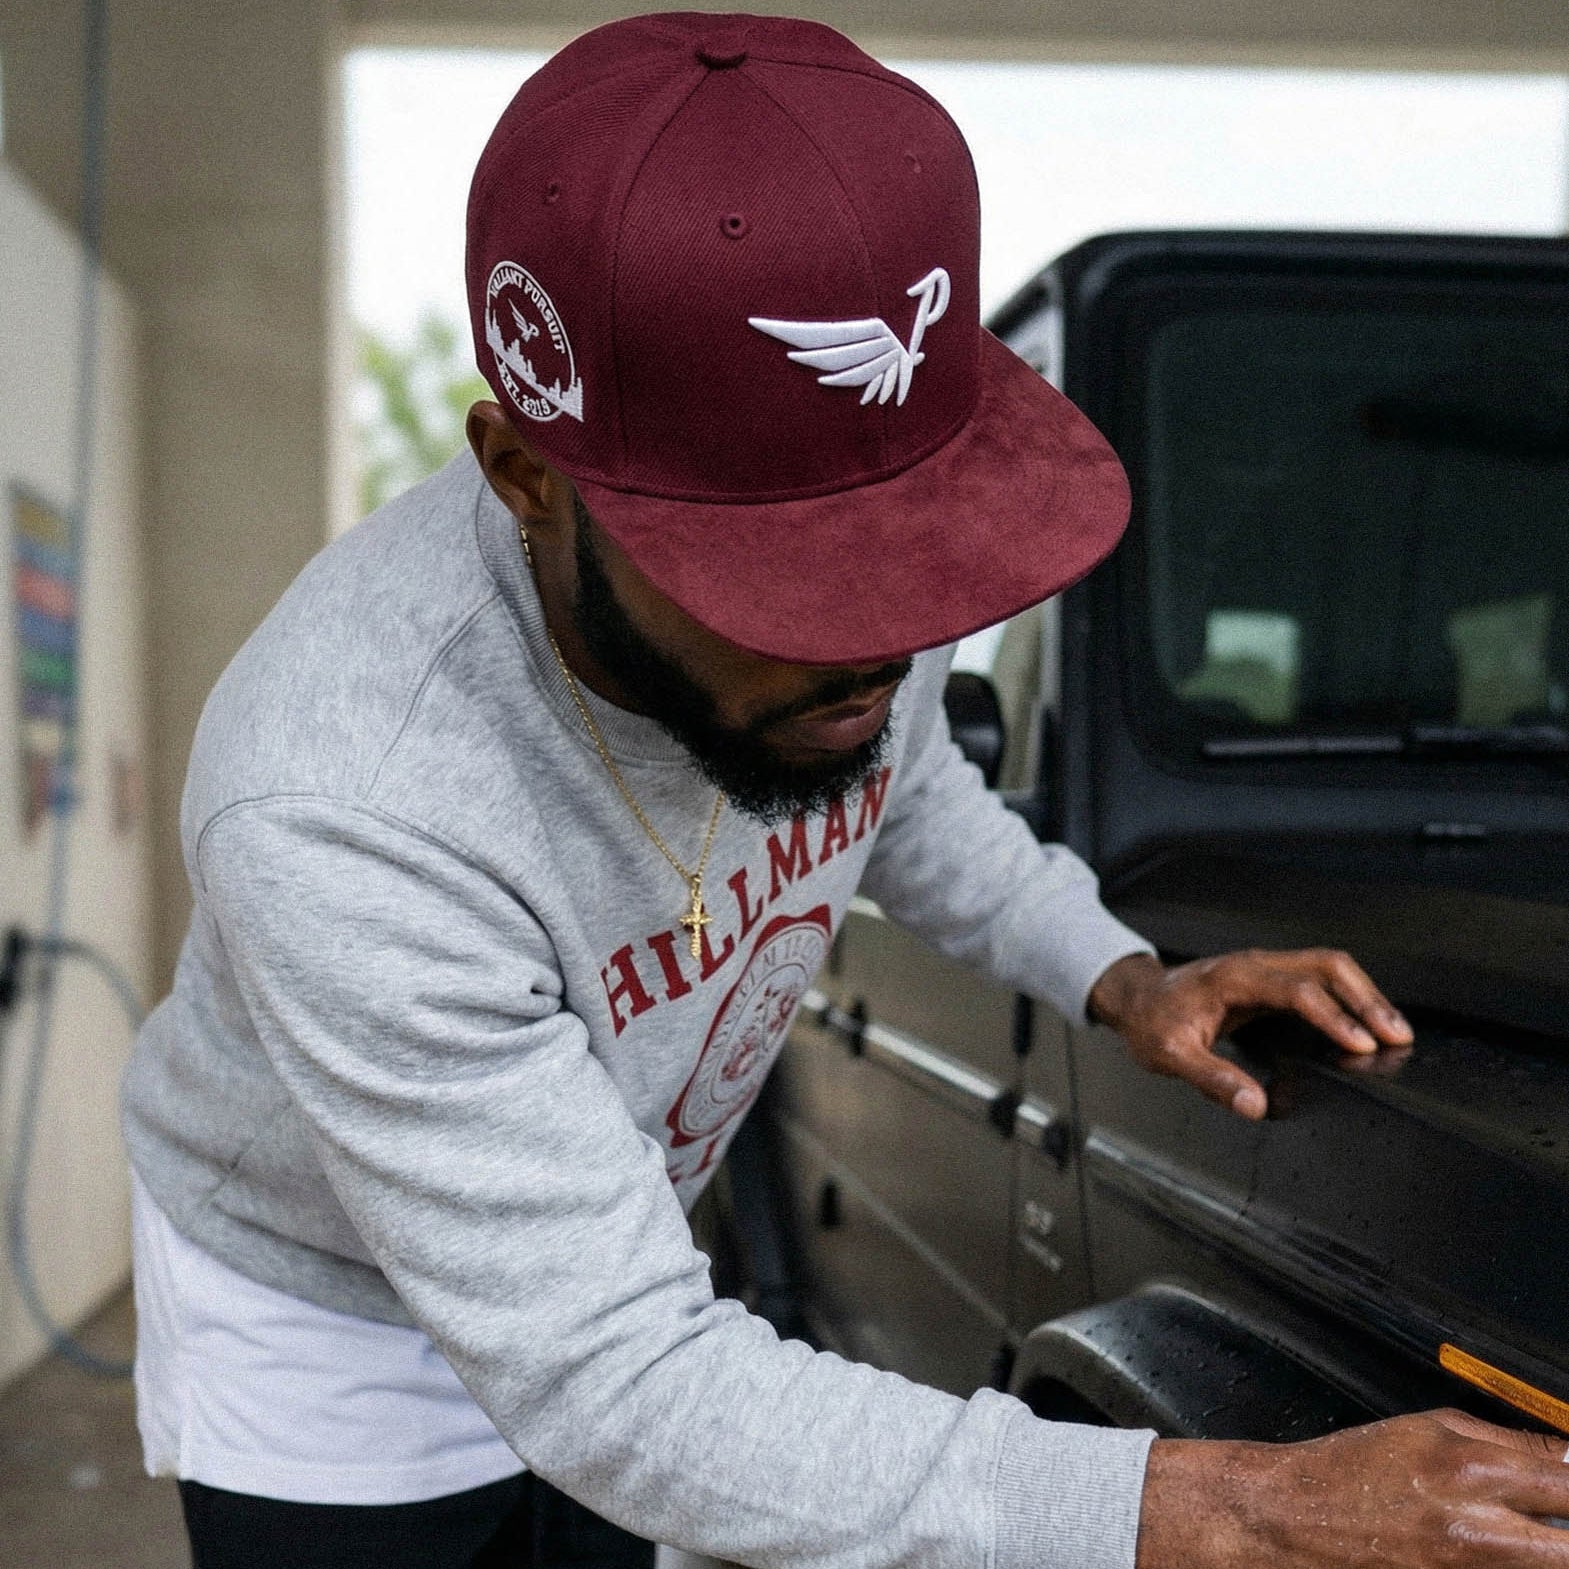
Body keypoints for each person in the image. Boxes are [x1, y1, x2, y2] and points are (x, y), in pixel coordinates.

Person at [120, 13, 1569, 1569]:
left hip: (607, 1257)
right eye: (787, 579)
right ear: (527, 474)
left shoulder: (863, 587)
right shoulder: (347, 802)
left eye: (898, 547)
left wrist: (1122, 975)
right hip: (334, 1323)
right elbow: (624, 1384)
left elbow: (906, 789)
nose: (878, 639)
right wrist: (1242, 1503)